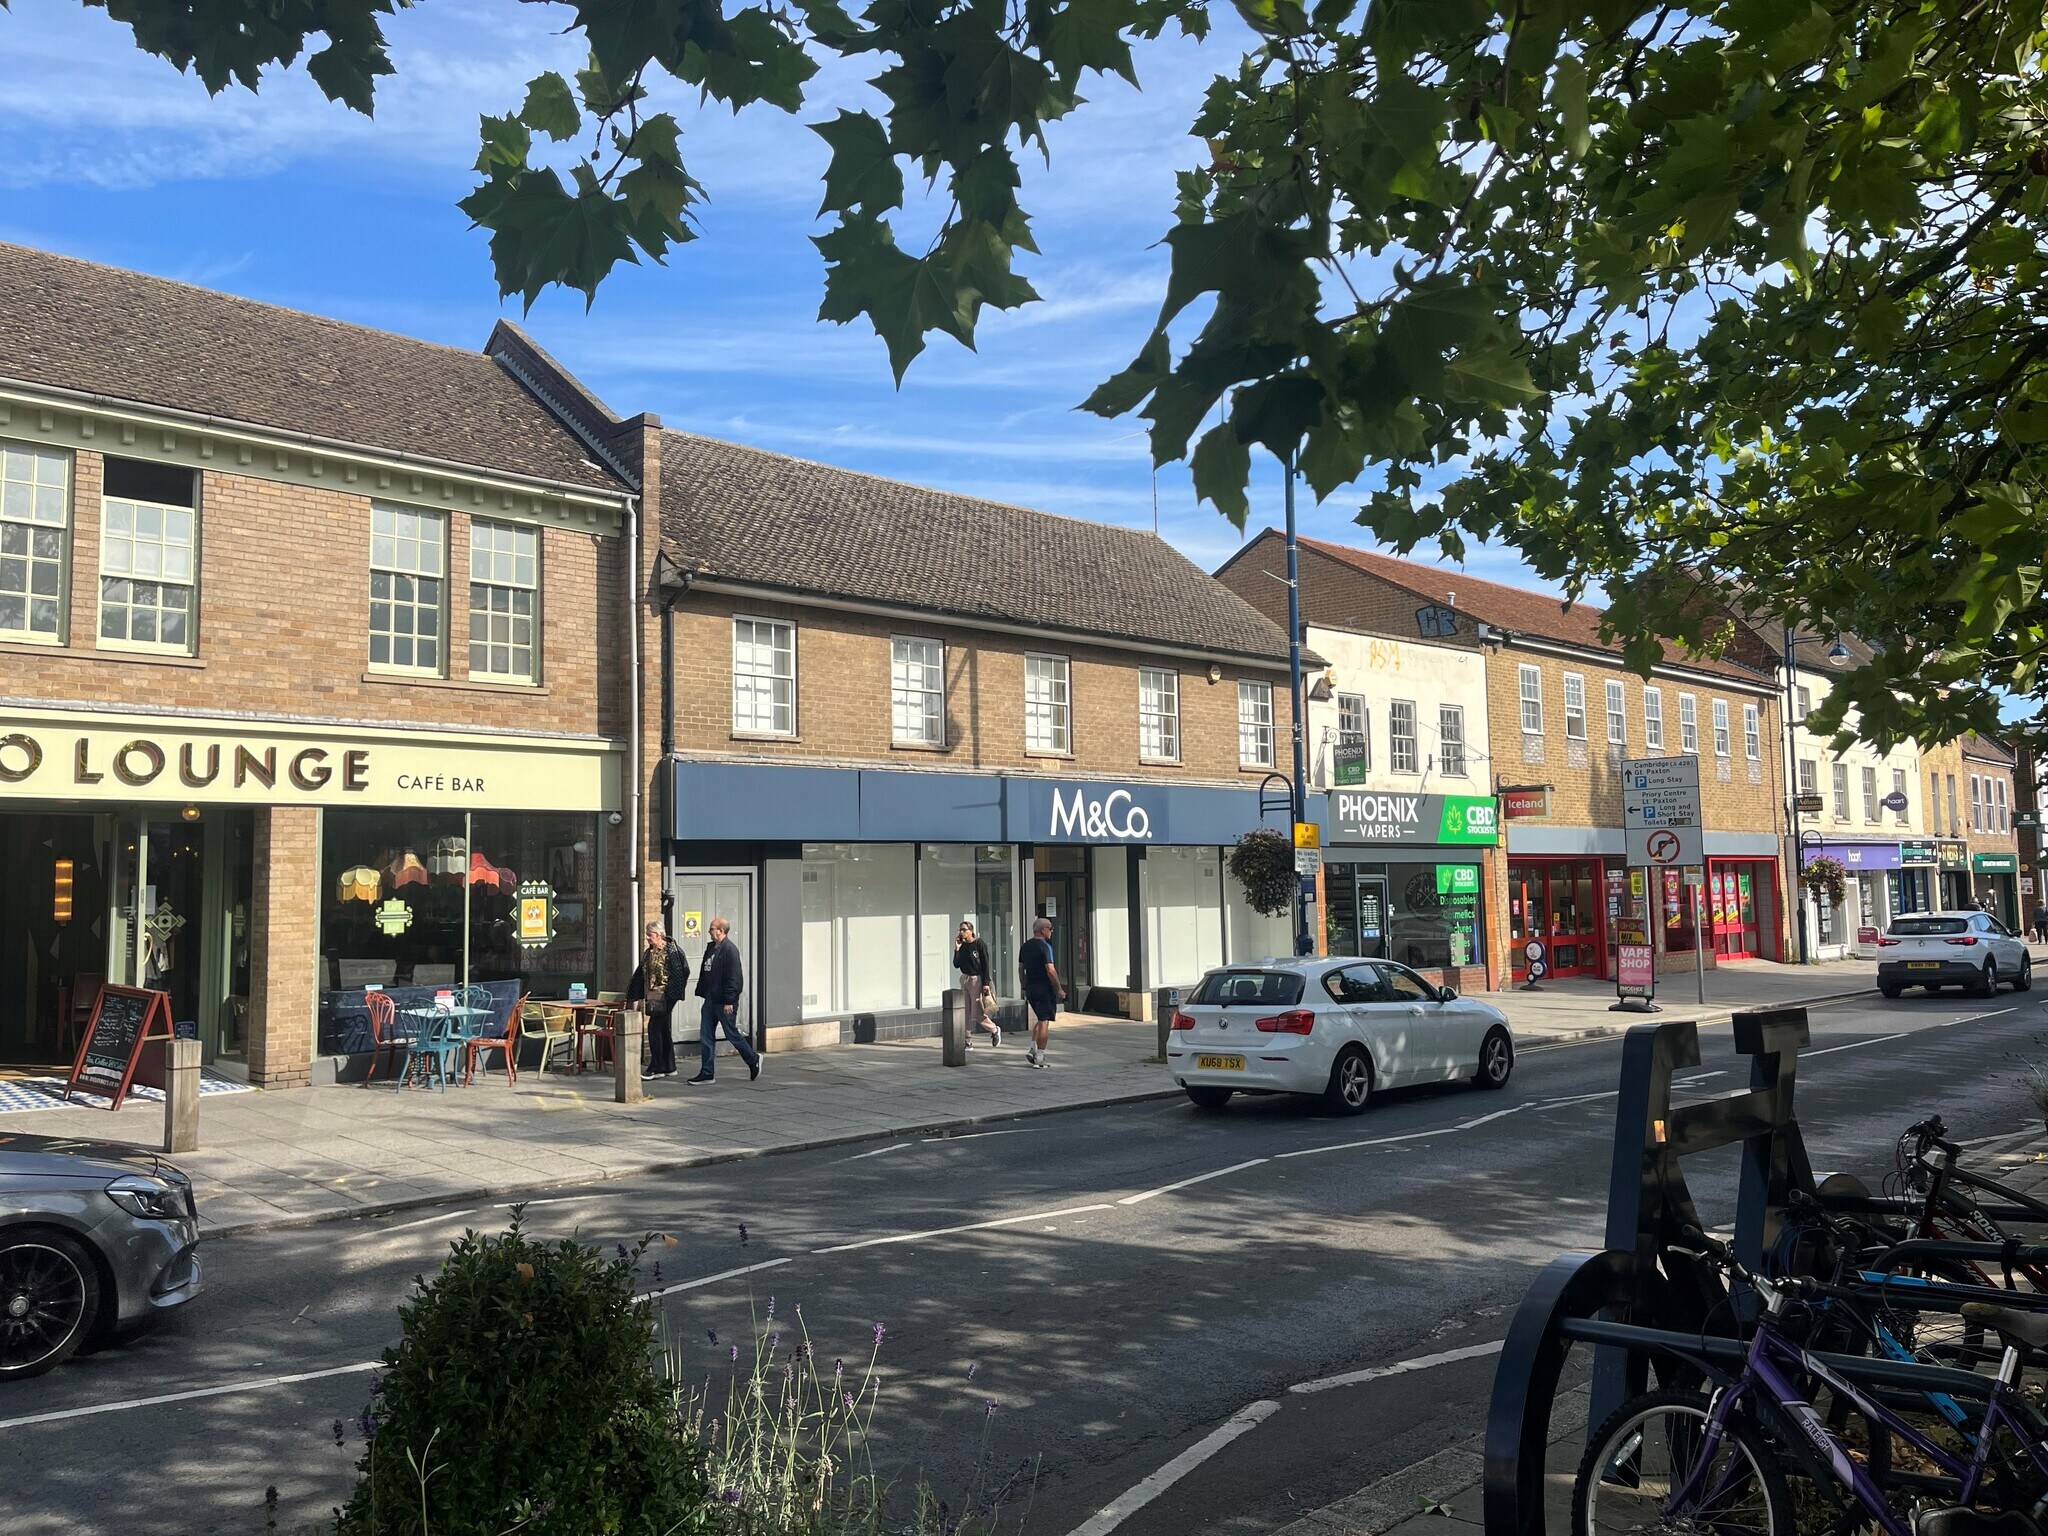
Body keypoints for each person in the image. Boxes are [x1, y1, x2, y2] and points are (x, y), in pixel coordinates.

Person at [687, 916, 761, 1085]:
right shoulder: (711, 948)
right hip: (710, 1000)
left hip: (724, 1002)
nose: (709, 931)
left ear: (720, 931)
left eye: (712, 928)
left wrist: (729, 1000)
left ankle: (753, 1059)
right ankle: (707, 1073)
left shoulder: (730, 950)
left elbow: (735, 978)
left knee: (731, 1033)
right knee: (706, 1036)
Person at [625, 920, 689, 1080]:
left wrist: (670, 993)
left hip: (667, 995)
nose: (647, 938)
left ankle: (656, 1067)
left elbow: (682, 973)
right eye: (646, 934)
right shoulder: (649, 952)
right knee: (662, 1029)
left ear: (659, 935)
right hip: (653, 996)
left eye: (650, 935)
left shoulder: (672, 951)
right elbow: (641, 974)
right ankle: (669, 1066)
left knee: (654, 1027)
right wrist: (635, 995)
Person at [1018, 916, 1064, 1070]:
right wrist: (1058, 988)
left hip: (1031, 987)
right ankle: (1040, 1058)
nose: (1051, 931)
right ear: (1043, 930)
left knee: (1040, 1018)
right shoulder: (1045, 947)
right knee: (1044, 1021)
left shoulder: (1025, 946)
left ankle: (1033, 1048)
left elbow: (1020, 969)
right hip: (1044, 988)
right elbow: (1050, 970)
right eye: (1050, 928)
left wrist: (1024, 985)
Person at [953, 920, 1000, 1049]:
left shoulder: (979, 944)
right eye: (960, 930)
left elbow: (985, 964)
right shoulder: (962, 946)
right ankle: (967, 1041)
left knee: (976, 1012)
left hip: (976, 979)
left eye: (964, 930)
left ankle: (994, 1029)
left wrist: (985, 983)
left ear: (971, 931)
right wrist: (956, 949)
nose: (961, 933)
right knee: (965, 1011)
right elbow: (956, 964)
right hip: (965, 979)